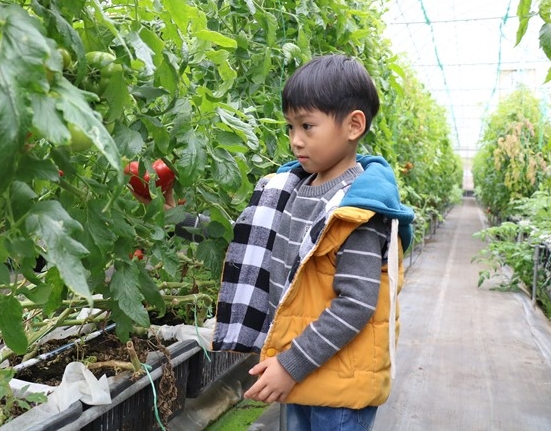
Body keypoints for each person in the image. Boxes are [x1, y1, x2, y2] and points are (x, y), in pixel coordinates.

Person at [147, 54, 414, 430]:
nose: (294, 140)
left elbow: (356, 304)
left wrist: (290, 366)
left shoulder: (357, 210)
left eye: (307, 126)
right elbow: (247, 242)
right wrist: (174, 218)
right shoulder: (292, 189)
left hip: (339, 387)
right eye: (291, 126)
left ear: (354, 125)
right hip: (304, 372)